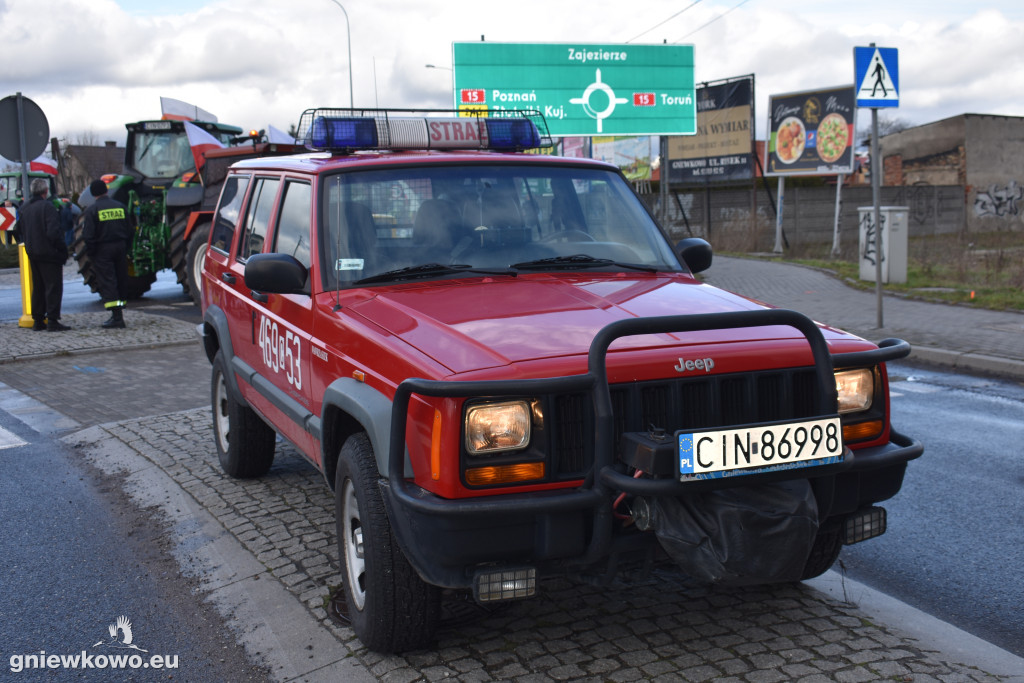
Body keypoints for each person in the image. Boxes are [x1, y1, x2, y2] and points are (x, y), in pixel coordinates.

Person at [18, 177, 70, 331]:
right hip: (49, 253)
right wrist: (62, 250)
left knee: (38, 287)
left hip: (33, 252)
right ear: (46, 191)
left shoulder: (25, 208)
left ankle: (38, 320)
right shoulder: (47, 207)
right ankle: (53, 320)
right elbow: (54, 233)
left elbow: (19, 230)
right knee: (53, 286)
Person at [80, 179, 132, 329]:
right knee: (120, 278)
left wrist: (92, 254)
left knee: (108, 281)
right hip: (120, 247)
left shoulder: (92, 211)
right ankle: (119, 311)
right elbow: (130, 230)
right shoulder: (120, 207)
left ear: (92, 194)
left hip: (103, 250)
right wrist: (126, 247)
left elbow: (88, 236)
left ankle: (116, 317)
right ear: (106, 190)